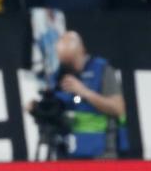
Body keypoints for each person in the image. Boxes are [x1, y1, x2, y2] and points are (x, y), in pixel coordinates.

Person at [47, 30, 126, 159]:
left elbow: (118, 108)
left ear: (82, 50)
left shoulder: (102, 70)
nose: (68, 66)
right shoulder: (58, 75)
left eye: (71, 60)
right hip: (67, 154)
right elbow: (74, 101)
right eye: (64, 62)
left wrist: (85, 92)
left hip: (100, 154)